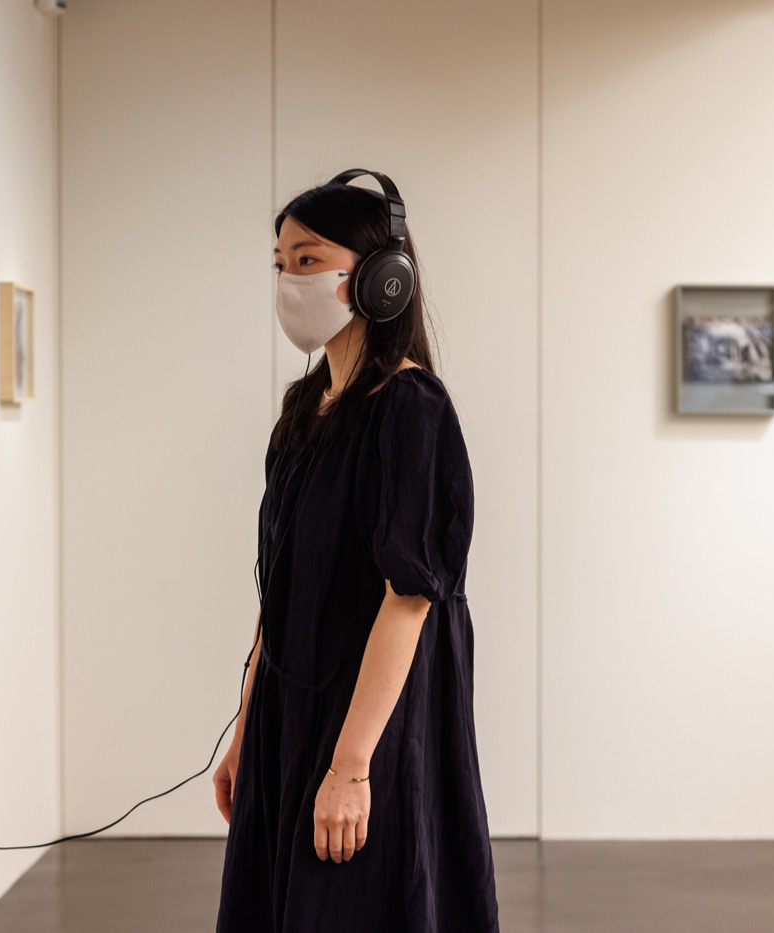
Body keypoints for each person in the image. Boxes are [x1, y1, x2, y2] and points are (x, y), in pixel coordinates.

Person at [214, 171, 499, 932]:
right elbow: (278, 590)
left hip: (369, 723)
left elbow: (409, 599)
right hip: (290, 711)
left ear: (381, 277)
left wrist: (350, 767)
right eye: (280, 262)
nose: (289, 278)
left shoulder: (411, 408)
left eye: (308, 259)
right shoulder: (304, 410)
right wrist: (249, 729)